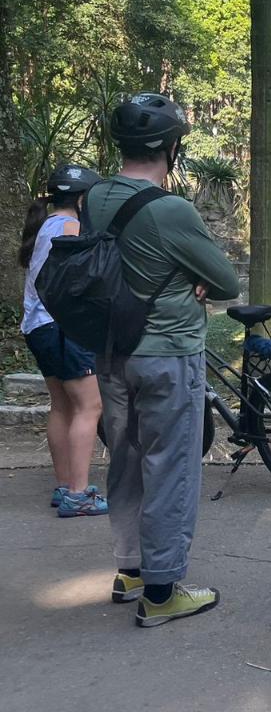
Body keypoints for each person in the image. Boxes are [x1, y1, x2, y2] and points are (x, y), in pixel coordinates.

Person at [87, 92, 240, 627]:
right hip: (167, 355)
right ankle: (161, 592)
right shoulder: (171, 209)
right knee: (170, 466)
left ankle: (130, 570)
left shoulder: (95, 197)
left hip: (112, 354)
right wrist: (192, 279)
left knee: (126, 459)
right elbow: (225, 281)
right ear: (170, 147)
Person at [19, 164, 107, 517]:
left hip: (38, 326)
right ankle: (78, 494)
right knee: (90, 406)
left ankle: (65, 485)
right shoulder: (70, 227)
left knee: (63, 406)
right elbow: (84, 283)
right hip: (62, 327)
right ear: (83, 199)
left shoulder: (47, 225)